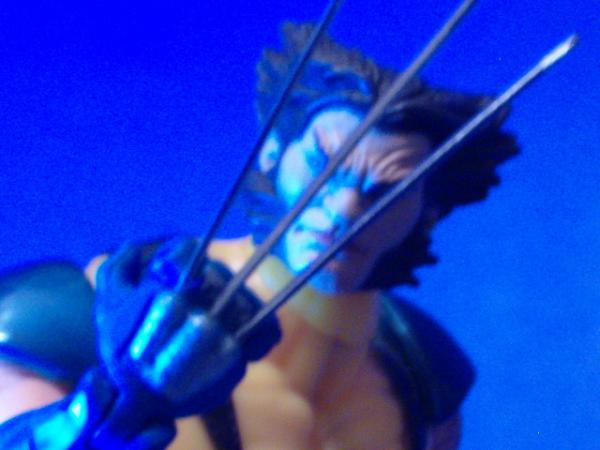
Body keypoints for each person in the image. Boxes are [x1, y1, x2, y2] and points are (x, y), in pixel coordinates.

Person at [0, 23, 518, 449]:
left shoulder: (426, 375)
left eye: (388, 191)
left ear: (429, 211)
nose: (345, 209)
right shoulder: (72, 317)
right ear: (273, 150)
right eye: (323, 164)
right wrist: (106, 417)